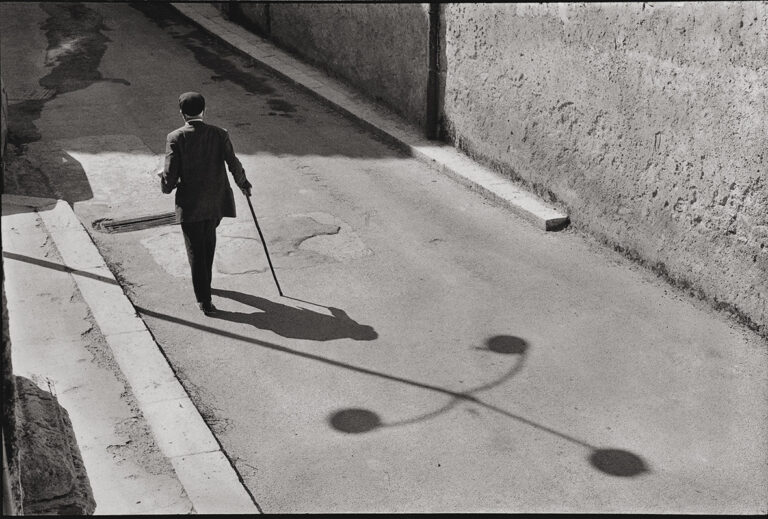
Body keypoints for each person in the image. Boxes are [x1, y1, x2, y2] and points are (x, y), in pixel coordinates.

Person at [160, 92, 252, 316]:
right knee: (208, 243)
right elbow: (233, 162)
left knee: (195, 250)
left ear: (181, 113)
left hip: (191, 204)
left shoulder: (175, 137)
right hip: (215, 202)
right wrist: (244, 184)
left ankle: (204, 299)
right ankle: (205, 284)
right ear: (204, 110)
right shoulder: (220, 134)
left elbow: (170, 176)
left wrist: (163, 182)